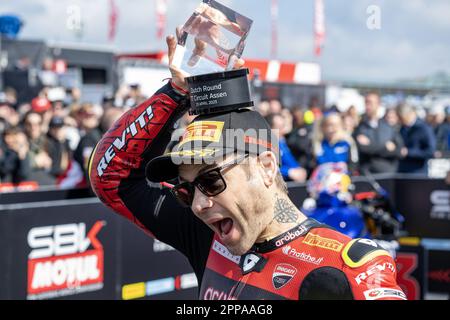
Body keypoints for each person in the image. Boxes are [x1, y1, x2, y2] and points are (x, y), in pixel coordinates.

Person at [89, 34, 405, 300]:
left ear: (266, 167)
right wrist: (176, 94)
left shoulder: (345, 267)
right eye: (187, 191)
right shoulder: (206, 235)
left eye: (211, 180)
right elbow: (110, 177)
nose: (199, 204)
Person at [353, 92, 404, 174]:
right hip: (367, 173)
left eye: (370, 102)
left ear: (378, 104)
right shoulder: (360, 127)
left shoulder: (388, 127)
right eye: (366, 102)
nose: (367, 106)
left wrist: (371, 145)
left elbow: (400, 151)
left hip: (386, 173)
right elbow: (363, 148)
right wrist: (385, 147)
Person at [266, 113, 307, 182]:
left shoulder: (282, 142)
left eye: (283, 126)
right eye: (279, 127)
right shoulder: (266, 145)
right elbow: (267, 166)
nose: (283, 130)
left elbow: (291, 162)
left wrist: (298, 170)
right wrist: (288, 172)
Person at [397, 103, 436, 174]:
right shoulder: (402, 128)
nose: (401, 121)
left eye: (402, 118)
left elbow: (430, 151)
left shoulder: (424, 128)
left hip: (417, 172)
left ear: (410, 114)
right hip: (402, 171)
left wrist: (409, 152)